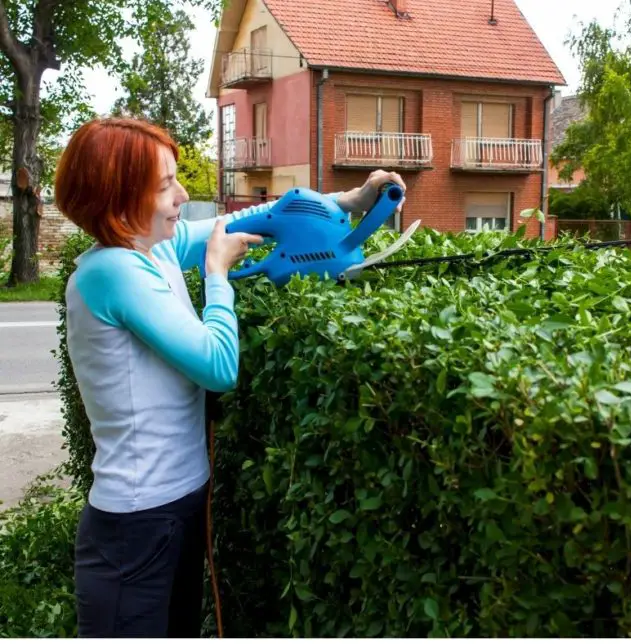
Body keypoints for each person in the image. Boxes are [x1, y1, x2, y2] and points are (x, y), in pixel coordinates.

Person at [54, 117, 406, 638]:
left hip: (173, 506)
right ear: (118, 198)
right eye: (164, 184)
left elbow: (257, 220)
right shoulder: (112, 271)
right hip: (136, 522)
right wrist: (217, 278)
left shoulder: (154, 249)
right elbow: (219, 367)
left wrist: (347, 200)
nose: (183, 193)